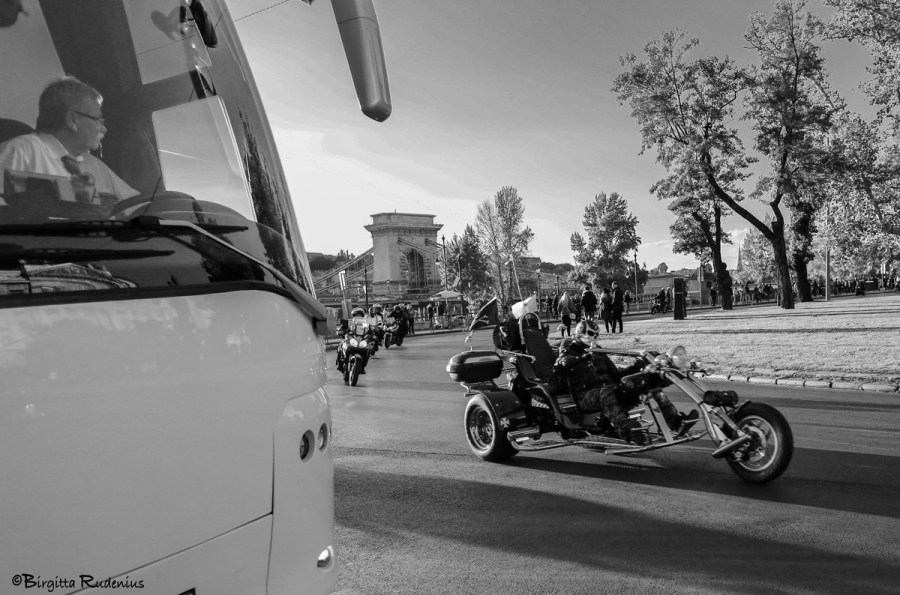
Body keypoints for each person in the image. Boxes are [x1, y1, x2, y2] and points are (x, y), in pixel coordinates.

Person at [0, 76, 138, 206]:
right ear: (73, 120)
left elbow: (135, 205)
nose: (104, 129)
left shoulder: (94, 164)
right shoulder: (21, 151)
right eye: (97, 120)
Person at [549, 337, 698, 444]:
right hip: (584, 396)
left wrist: (638, 366)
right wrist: (568, 361)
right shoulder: (568, 352)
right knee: (604, 393)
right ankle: (627, 432)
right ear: (579, 335)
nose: (593, 338)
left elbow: (616, 375)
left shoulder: (598, 352)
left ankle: (676, 424)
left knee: (648, 385)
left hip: (609, 390)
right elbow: (555, 375)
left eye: (596, 334)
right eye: (589, 334)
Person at [335, 307, 370, 372]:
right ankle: (339, 364)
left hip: (360, 340)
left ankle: (362, 367)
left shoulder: (365, 324)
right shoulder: (348, 322)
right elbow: (342, 328)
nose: (358, 316)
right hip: (351, 338)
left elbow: (369, 330)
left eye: (359, 315)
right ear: (353, 315)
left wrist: (372, 334)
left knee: (367, 350)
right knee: (341, 345)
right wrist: (341, 330)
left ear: (362, 315)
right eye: (356, 315)